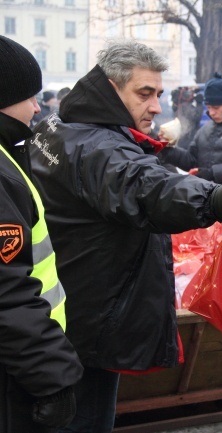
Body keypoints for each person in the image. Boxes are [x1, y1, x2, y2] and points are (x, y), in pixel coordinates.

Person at [27, 39, 222, 433]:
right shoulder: (98, 146)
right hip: (93, 317)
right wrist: (214, 198)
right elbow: (142, 185)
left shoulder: (61, 128)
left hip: (70, 310)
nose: (156, 106)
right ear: (110, 88)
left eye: (158, 94)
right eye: (144, 93)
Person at [0, 35, 83, 433]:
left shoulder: (9, 153)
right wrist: (53, 376)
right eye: (29, 97)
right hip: (15, 371)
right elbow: (6, 290)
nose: (37, 107)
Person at [159, 74, 222, 182]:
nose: (211, 112)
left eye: (216, 107)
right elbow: (192, 161)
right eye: (208, 107)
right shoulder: (205, 129)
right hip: (206, 194)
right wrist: (167, 150)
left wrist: (213, 173)